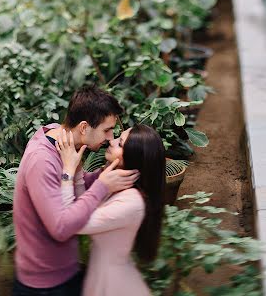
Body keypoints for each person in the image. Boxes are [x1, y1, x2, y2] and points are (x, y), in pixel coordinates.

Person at [12, 85, 139, 296]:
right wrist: (102, 186)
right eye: (106, 130)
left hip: (66, 272)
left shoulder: (59, 137)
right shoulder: (42, 161)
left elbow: (71, 190)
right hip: (44, 285)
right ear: (83, 128)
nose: (110, 137)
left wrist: (101, 175)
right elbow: (60, 228)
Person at [57, 123, 166, 296]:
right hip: (102, 277)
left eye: (120, 143)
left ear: (134, 157)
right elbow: (82, 205)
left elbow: (74, 223)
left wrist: (67, 172)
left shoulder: (132, 202)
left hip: (115, 286)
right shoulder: (118, 185)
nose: (111, 141)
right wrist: (77, 169)